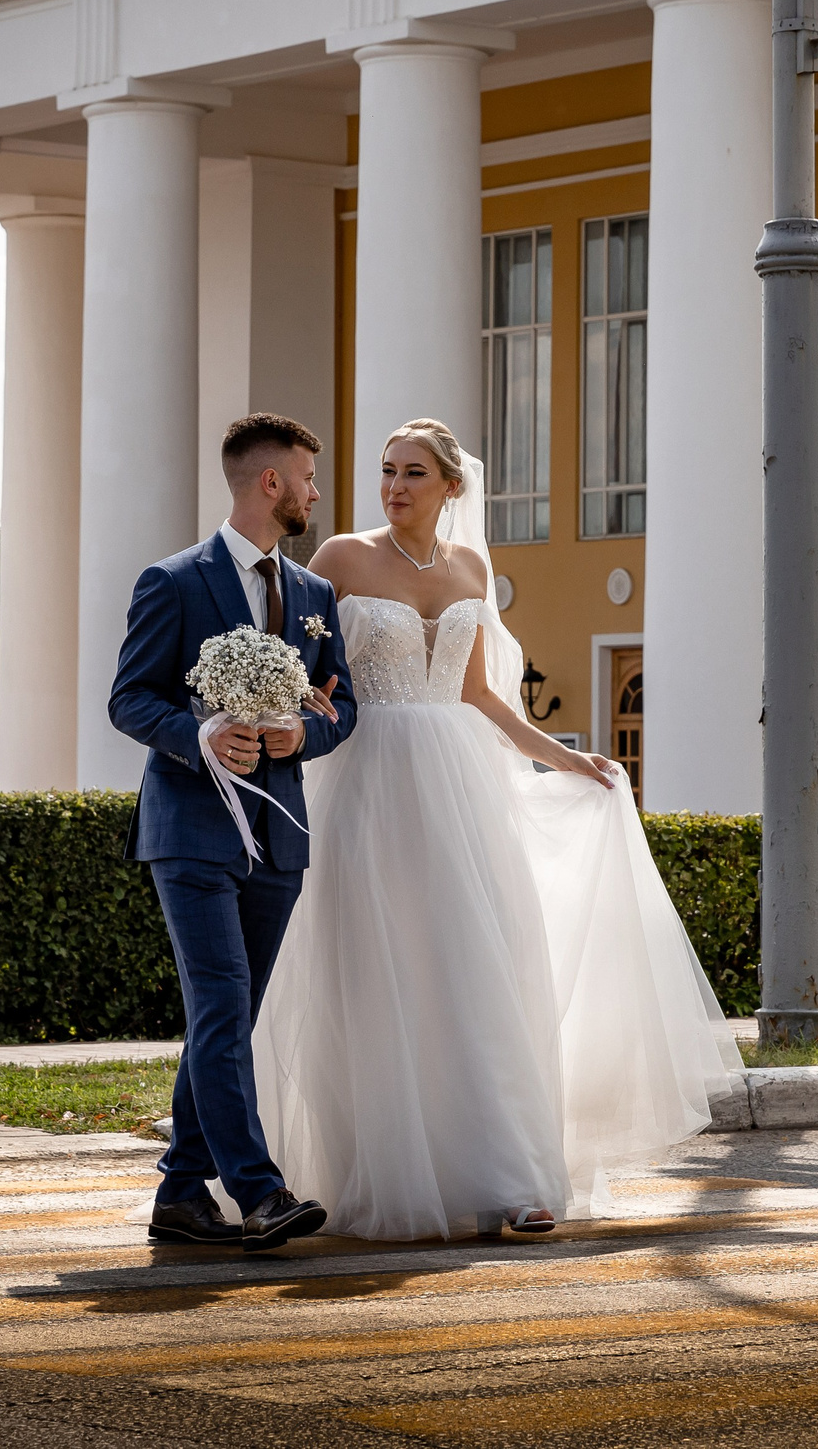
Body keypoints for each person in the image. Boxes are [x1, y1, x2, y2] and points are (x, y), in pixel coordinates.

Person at [253, 418, 744, 1241]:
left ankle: (508, 1176)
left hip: (459, 785)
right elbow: (298, 666)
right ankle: (379, 1172)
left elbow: (479, 692)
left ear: (452, 487)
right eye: (386, 470)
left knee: (476, 972)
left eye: (413, 472)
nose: (394, 486)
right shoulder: (339, 556)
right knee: (381, 976)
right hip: (369, 781)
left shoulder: (472, 566)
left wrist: (566, 757)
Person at [109, 413, 359, 1252]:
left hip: (279, 832)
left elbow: (343, 704)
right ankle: (258, 1191)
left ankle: (179, 1190)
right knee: (220, 1003)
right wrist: (202, 733)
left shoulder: (317, 598)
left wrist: (303, 734)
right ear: (271, 483)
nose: (316, 493)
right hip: (190, 832)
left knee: (232, 1016)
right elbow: (130, 698)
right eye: (308, 478)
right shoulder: (173, 581)